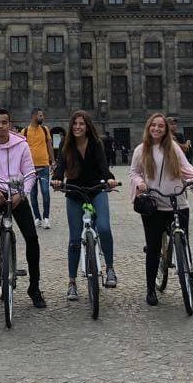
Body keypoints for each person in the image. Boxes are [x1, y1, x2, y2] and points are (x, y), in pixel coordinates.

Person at [0, 108, 46, 309]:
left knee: (32, 238)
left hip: (17, 193)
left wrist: (22, 193)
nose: (1, 127)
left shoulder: (21, 145)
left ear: (10, 125)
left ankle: (34, 288)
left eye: (5, 123)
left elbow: (30, 174)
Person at [130, 112, 193, 305]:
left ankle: (190, 284)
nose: (157, 129)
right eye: (153, 125)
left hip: (178, 203)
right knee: (153, 249)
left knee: (184, 246)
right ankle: (151, 288)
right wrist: (140, 184)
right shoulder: (141, 150)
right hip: (154, 205)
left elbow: (186, 168)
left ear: (166, 129)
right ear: (148, 128)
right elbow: (134, 173)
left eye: (160, 126)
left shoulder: (174, 149)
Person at [52, 110, 118, 301]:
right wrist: (57, 180)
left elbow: (103, 166)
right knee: (74, 239)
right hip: (74, 193)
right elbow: (60, 167)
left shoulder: (96, 144)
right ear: (71, 126)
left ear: (87, 126)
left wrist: (109, 179)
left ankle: (111, 269)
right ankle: (72, 282)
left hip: (96, 190)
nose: (78, 127)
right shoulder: (66, 145)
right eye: (75, 124)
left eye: (81, 124)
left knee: (104, 228)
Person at [22, 108, 55, 229]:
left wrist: (53, 161)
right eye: (40, 116)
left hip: (44, 165)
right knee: (33, 194)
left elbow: (49, 146)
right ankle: (37, 217)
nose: (43, 117)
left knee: (46, 192)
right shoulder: (24, 132)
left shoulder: (45, 130)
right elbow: (21, 151)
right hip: (30, 168)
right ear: (34, 116)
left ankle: (46, 217)